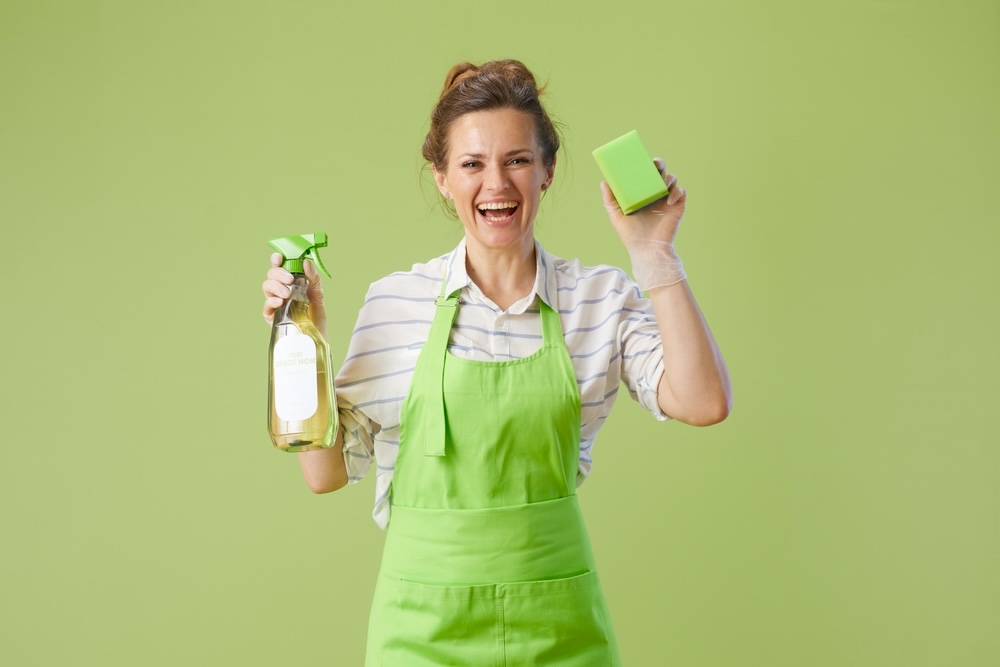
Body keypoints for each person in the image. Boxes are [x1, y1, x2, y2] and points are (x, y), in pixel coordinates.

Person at [262, 59, 731, 666]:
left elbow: (702, 401)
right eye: (472, 164)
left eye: (517, 160)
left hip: (561, 629)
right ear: (441, 177)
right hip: (421, 636)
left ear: (547, 171)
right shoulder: (396, 301)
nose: (497, 185)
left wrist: (654, 253)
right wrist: (304, 337)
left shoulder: (599, 298)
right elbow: (323, 474)